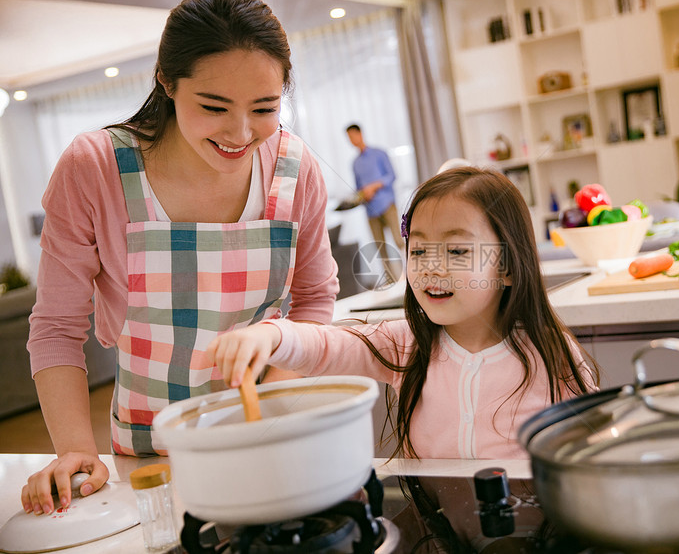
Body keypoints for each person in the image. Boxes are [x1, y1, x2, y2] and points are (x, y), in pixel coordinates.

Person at [21, 0, 339, 515]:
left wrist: (274, 405)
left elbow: (314, 300)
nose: (241, 133)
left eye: (264, 108)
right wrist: (76, 451)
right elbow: (55, 329)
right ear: (166, 81)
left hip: (270, 439)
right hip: (151, 456)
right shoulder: (95, 168)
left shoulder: (295, 168)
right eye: (214, 107)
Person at [208, 166, 599, 461]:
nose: (430, 267)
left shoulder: (550, 353)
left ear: (508, 267)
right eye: (418, 250)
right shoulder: (403, 345)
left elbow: (593, 456)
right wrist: (273, 336)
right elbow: (328, 345)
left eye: (458, 251)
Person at [345, 123, 405, 284]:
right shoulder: (355, 163)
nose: (352, 140)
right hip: (370, 210)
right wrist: (361, 194)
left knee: (399, 241)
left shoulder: (379, 154)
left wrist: (374, 186)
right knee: (380, 247)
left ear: (360, 134)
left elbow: (391, 176)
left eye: (353, 135)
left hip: (386, 203)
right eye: (349, 138)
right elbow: (358, 187)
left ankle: (409, 274)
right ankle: (391, 281)